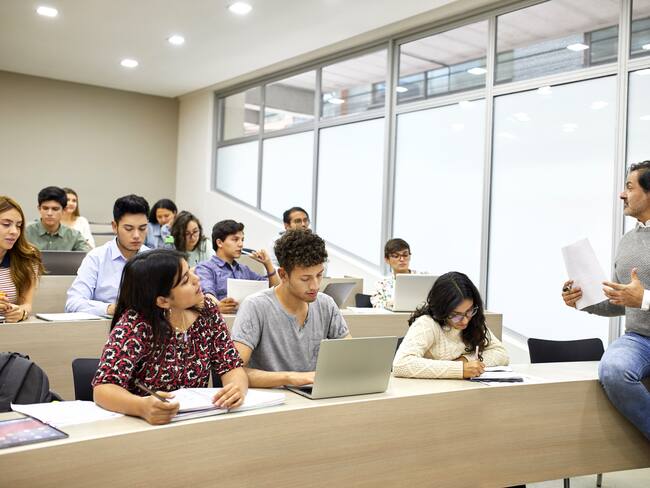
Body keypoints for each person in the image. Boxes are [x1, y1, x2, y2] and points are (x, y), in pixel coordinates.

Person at [92, 249, 248, 425]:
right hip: (146, 425)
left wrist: (235, 389)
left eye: (190, 270)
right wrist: (141, 407)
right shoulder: (134, 325)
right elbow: (104, 387)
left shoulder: (207, 310)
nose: (196, 279)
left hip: (198, 419)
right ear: (163, 301)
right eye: (185, 280)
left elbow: (231, 365)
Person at [562, 160, 650, 440]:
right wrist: (582, 300)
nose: (622, 195)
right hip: (638, 339)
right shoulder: (628, 241)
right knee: (612, 370)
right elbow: (619, 301)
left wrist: (645, 299)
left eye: (629, 187)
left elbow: (638, 299)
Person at [231, 229, 350, 388]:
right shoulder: (255, 306)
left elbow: (351, 357)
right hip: (272, 401)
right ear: (283, 275)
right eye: (305, 279)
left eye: (319, 275)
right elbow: (234, 371)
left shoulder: (326, 304)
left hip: (314, 398)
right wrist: (290, 378)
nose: (315, 285)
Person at [393, 271, 508, 379]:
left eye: (469, 311)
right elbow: (401, 364)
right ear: (442, 310)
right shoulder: (427, 324)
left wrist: (465, 360)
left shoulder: (474, 321)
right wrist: (459, 369)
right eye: (456, 315)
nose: (465, 321)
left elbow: (501, 353)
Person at [66, 194, 150, 316]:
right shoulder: (96, 257)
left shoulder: (152, 258)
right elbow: (73, 303)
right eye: (129, 228)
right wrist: (111, 309)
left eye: (142, 228)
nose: (136, 235)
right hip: (104, 329)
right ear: (115, 227)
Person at [195, 219, 280, 313]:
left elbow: (274, 290)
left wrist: (268, 264)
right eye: (235, 239)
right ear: (219, 243)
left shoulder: (244, 270)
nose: (241, 244)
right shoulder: (205, 267)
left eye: (242, 240)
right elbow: (207, 293)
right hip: (222, 320)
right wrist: (217, 306)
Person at [0, 196, 44, 322]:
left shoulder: (28, 258)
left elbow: (26, 304)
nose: (14, 231)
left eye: (18, 226)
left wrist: (21, 312)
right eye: (6, 224)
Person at [24, 186, 90, 252]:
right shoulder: (25, 233)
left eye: (55, 209)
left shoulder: (74, 236)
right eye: (45, 208)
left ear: (64, 210)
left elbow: (88, 255)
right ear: (39, 208)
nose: (49, 213)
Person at [371, 238, 418, 309]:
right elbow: (377, 307)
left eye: (405, 255)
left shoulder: (423, 278)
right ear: (387, 260)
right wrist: (390, 304)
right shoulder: (381, 285)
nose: (402, 259)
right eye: (396, 256)